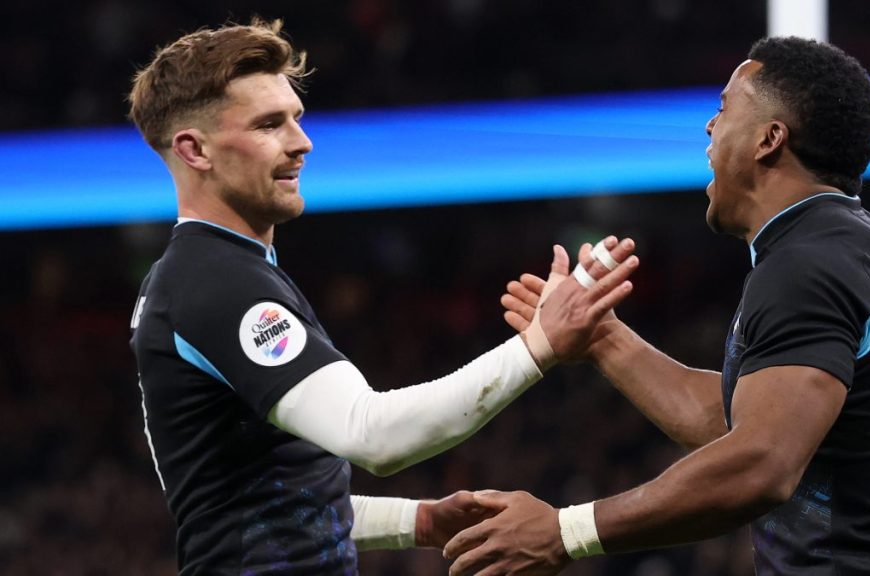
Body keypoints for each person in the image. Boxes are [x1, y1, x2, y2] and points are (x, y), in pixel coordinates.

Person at [125, 18, 638, 575]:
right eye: (269, 125)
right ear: (194, 150)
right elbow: (372, 435)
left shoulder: (212, 274)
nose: (302, 143)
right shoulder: (218, 283)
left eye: (296, 119)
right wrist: (540, 344)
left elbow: (259, 502)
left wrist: (417, 520)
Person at [445, 36, 870, 575]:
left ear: (769, 139)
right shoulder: (862, 243)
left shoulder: (806, 263)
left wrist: (564, 532)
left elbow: (761, 463)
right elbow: (743, 418)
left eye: (724, 107)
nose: (710, 127)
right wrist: (601, 336)